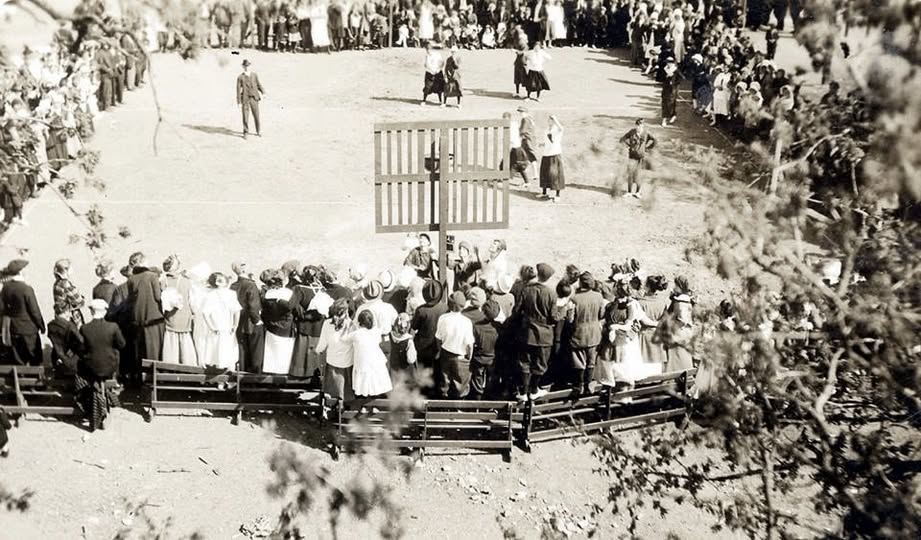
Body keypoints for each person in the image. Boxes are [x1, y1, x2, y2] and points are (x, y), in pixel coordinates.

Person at [77, 299, 125, 431]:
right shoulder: (113, 327)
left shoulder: (84, 328)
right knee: (115, 355)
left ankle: (94, 405)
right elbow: (122, 344)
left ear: (92, 311)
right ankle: (108, 397)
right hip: (109, 366)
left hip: (91, 367)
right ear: (104, 312)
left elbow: (81, 349)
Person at [516, 262, 557, 400]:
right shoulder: (551, 293)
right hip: (544, 335)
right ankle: (534, 390)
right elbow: (554, 317)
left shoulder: (526, 290)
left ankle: (523, 392)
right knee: (540, 364)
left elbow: (517, 310)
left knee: (524, 363)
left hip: (527, 332)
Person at [0, 259, 45, 365]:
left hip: (13, 329)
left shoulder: (5, 288)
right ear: (20, 272)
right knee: (34, 360)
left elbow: (1, 309)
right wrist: (41, 326)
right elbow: (34, 311)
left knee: (18, 361)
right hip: (29, 331)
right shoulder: (26, 289)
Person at [127, 252, 165, 376]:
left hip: (138, 318)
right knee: (154, 349)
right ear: (143, 262)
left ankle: (143, 375)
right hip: (153, 318)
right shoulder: (152, 276)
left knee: (141, 350)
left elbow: (131, 300)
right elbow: (158, 297)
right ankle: (156, 375)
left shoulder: (131, 279)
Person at [569, 271, 605, 395]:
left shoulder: (574, 298)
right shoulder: (598, 296)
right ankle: (589, 383)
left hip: (578, 333)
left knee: (579, 362)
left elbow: (570, 319)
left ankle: (579, 385)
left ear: (580, 283)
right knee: (591, 361)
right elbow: (601, 315)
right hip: (594, 333)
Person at [197, 272, 242, 370]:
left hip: (225, 326)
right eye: (218, 279)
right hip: (218, 326)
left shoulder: (230, 294)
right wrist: (211, 327)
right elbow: (205, 313)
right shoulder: (211, 295)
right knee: (218, 349)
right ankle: (220, 373)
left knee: (224, 349)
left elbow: (237, 310)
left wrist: (235, 325)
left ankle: (227, 372)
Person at [435, 292, 475, 398]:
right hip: (460, 358)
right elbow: (469, 345)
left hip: (445, 354)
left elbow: (438, 338)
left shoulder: (442, 318)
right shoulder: (466, 322)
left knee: (445, 385)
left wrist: (440, 351)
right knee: (460, 389)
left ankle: (443, 405)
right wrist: (469, 357)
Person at [411, 279, 447, 394]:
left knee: (424, 374)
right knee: (438, 372)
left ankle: (425, 394)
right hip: (439, 346)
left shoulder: (421, 310)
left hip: (423, 348)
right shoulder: (445, 308)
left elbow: (414, 327)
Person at [161, 255, 197, 366]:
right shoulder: (187, 281)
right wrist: (194, 313)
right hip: (184, 315)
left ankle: (170, 365)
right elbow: (192, 301)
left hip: (170, 316)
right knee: (185, 341)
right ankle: (188, 365)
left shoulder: (162, 281)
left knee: (171, 341)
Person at [347, 311, 393, 399]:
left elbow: (345, 339)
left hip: (362, 361)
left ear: (359, 322)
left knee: (363, 376)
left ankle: (363, 396)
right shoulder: (376, 332)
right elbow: (379, 338)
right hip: (375, 359)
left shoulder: (356, 334)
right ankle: (376, 396)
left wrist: (352, 326)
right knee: (375, 378)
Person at [316, 297, 354, 402]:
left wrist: (317, 351)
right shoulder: (352, 325)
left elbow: (322, 346)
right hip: (347, 364)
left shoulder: (327, 324)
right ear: (346, 311)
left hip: (332, 362)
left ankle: (332, 399)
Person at [260, 268, 297, 375]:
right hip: (286, 325)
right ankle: (283, 371)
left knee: (272, 350)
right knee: (285, 351)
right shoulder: (289, 293)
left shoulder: (268, 293)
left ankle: (271, 370)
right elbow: (294, 309)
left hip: (271, 325)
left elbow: (264, 311)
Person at [231, 262, 264, 372]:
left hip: (239, 321)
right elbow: (253, 304)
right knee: (256, 350)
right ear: (244, 269)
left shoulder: (233, 286)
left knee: (242, 349)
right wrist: (257, 320)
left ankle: (241, 373)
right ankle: (255, 373)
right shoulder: (251, 285)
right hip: (251, 322)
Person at [354, 280, 399, 358]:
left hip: (367, 341)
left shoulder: (361, 308)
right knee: (385, 362)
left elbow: (356, 326)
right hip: (384, 340)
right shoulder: (388, 307)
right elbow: (396, 323)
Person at [619, 118, 657, 198]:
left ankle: (637, 192)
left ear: (643, 126)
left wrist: (648, 148)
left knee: (639, 174)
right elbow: (622, 139)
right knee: (630, 173)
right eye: (637, 125)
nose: (638, 127)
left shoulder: (646, 133)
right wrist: (627, 146)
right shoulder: (632, 131)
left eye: (640, 126)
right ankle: (629, 192)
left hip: (641, 157)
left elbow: (655, 140)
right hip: (632, 156)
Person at [638, 275, 669, 366]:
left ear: (647, 286)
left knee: (645, 364)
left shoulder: (640, 303)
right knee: (657, 364)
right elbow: (665, 318)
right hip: (658, 335)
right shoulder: (663, 302)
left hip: (644, 335)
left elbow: (641, 321)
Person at [236, 59, 266, 139]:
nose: (247, 67)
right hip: (245, 98)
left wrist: (263, 92)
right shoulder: (240, 77)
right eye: (245, 66)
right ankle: (245, 132)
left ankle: (258, 131)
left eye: (248, 66)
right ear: (243, 67)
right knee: (245, 115)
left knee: (256, 115)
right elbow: (238, 90)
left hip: (254, 98)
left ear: (250, 66)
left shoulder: (254, 75)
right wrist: (239, 102)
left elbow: (258, 84)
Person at [538, 115, 565, 202]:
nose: (550, 121)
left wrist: (556, 120)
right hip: (546, 154)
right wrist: (542, 144)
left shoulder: (557, 129)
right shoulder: (546, 130)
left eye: (552, 120)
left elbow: (561, 128)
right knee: (544, 173)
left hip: (555, 154)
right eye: (549, 120)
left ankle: (557, 195)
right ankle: (544, 193)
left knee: (555, 175)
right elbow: (547, 141)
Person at [52, 259, 85, 327]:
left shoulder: (57, 283)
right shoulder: (66, 284)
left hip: (60, 316)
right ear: (66, 270)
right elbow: (80, 302)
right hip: (70, 318)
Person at [421, 42, 445, 106]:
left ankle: (440, 101)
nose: (427, 50)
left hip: (438, 72)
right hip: (430, 72)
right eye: (426, 49)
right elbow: (426, 65)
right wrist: (432, 71)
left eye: (428, 49)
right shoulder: (427, 56)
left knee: (439, 87)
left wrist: (438, 69)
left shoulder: (437, 54)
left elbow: (442, 63)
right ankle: (424, 100)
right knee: (427, 87)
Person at [660, 57, 681, 126]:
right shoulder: (665, 69)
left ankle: (673, 115)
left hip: (672, 90)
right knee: (664, 103)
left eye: (669, 63)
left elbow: (680, 79)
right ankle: (664, 119)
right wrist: (666, 77)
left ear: (672, 63)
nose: (668, 64)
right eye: (667, 62)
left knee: (671, 103)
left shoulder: (676, 70)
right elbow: (661, 78)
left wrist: (673, 83)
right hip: (665, 88)